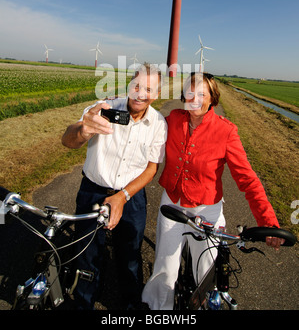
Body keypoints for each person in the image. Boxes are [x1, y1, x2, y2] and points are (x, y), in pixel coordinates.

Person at [142, 72, 283, 310]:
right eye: (190, 92)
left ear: (212, 99)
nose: (194, 98)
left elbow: (247, 179)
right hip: (172, 205)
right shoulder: (173, 119)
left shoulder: (226, 131)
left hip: (206, 209)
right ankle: (158, 308)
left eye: (201, 94)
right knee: (165, 269)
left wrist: (268, 221)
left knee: (205, 273)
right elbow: (143, 128)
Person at [61, 64, 167, 310]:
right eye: (137, 85)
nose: (141, 93)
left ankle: (130, 304)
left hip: (131, 196)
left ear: (157, 94)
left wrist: (123, 196)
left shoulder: (159, 124)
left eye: (149, 89)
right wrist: (83, 130)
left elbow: (151, 169)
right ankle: (84, 302)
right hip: (93, 190)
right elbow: (68, 140)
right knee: (86, 252)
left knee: (130, 254)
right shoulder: (104, 108)